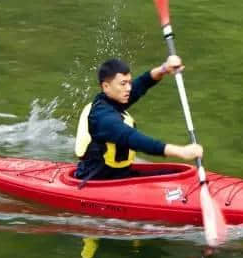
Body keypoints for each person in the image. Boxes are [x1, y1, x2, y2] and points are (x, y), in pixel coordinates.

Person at [74, 56, 203, 180]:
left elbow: (142, 83)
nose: (129, 88)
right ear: (106, 86)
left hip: (120, 174)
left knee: (175, 173)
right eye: (123, 84)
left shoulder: (113, 98)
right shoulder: (104, 119)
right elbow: (134, 139)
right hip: (99, 180)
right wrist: (181, 151)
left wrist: (164, 68)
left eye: (129, 82)